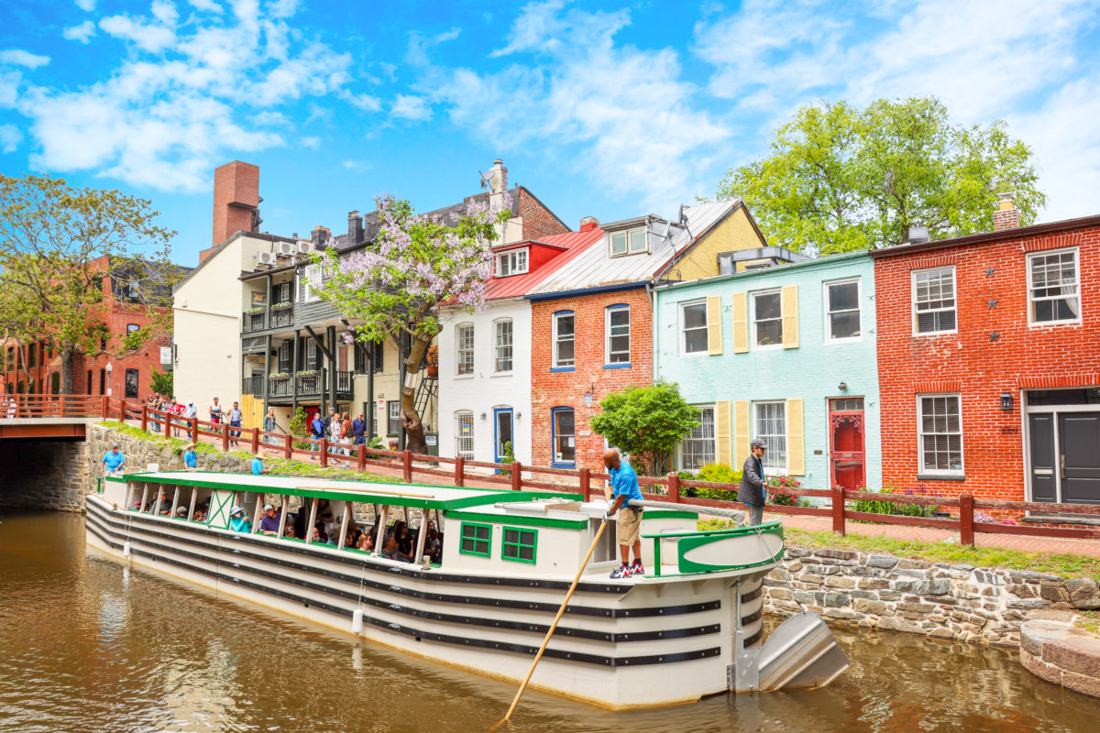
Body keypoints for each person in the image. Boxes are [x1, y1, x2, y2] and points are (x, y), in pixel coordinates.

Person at [603, 449, 644, 579]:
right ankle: (638, 565)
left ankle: (625, 568)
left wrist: (611, 511)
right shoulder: (613, 469)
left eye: (606, 461)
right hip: (625, 506)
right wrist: (612, 501)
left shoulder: (626, 473)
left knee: (624, 538)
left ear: (613, 461)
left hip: (631, 508)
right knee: (634, 537)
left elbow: (622, 496)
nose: (604, 463)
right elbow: (616, 489)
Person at [738, 439, 769, 527]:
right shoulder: (750, 462)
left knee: (757, 521)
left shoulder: (757, 460)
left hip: (758, 494)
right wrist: (761, 482)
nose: (763, 451)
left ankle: (755, 536)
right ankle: (754, 537)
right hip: (753, 495)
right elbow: (751, 475)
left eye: (764, 449)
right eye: (761, 449)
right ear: (754, 448)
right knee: (755, 523)